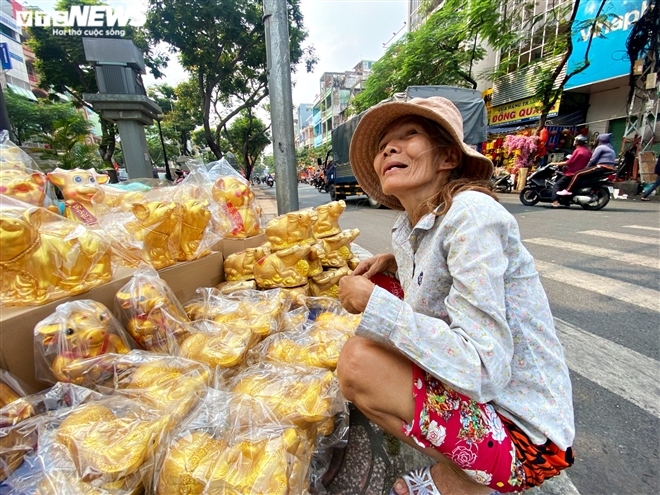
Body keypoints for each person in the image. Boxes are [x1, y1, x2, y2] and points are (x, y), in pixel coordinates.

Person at [336, 97, 575, 495]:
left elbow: (482, 368)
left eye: (408, 136)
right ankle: (463, 471)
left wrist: (372, 304)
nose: (389, 149)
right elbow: (435, 280)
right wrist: (395, 264)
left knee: (358, 363)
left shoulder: (473, 215)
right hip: (484, 411)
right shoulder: (409, 227)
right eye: (382, 147)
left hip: (528, 440)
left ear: (448, 157)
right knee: (378, 310)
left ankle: (470, 480)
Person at [556, 133, 616, 198]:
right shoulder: (610, 148)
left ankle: (568, 190)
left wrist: (586, 168)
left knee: (578, 173)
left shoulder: (600, 147)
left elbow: (593, 160)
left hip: (602, 166)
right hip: (609, 167)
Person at [550, 135, 592, 207]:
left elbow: (569, 162)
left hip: (571, 173)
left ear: (577, 142)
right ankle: (566, 201)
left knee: (557, 185)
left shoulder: (578, 150)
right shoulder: (588, 151)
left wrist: (556, 163)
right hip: (581, 172)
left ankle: (555, 201)